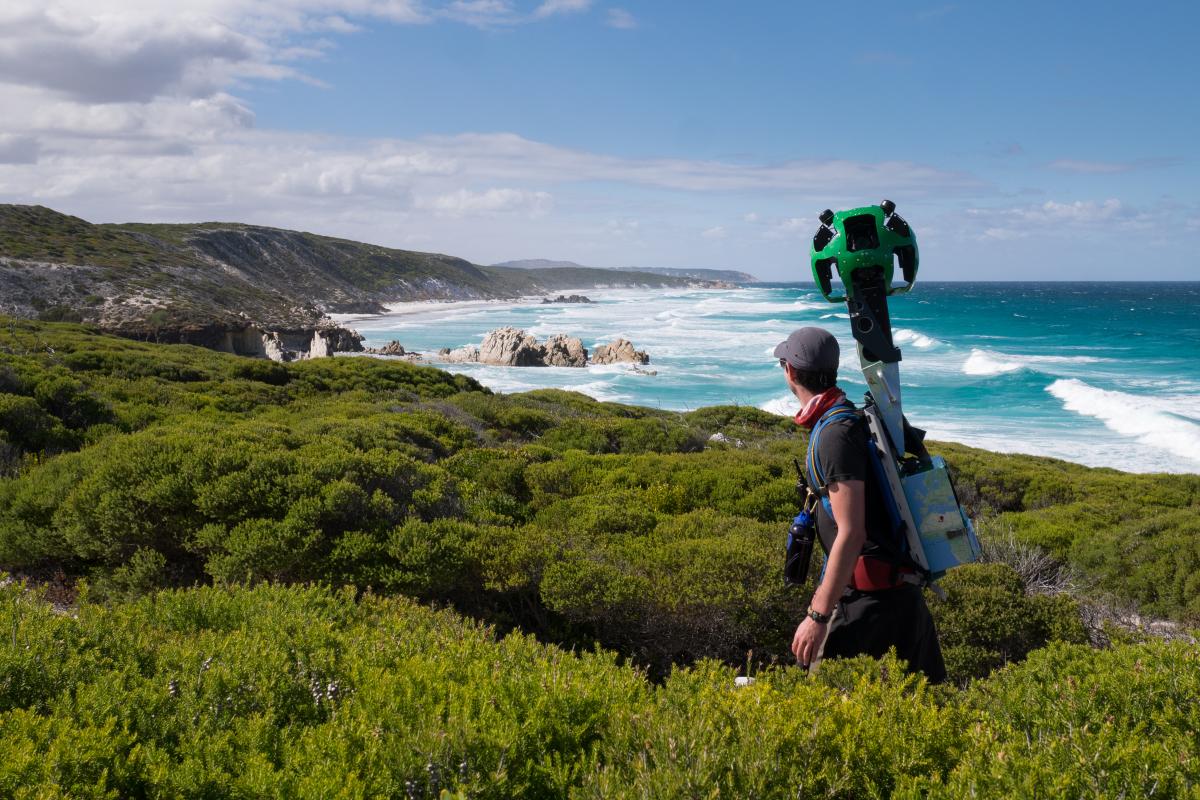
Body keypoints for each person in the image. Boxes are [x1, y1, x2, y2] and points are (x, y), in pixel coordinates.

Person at [774, 326, 946, 683]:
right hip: (897, 596)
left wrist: (818, 617)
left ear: (790, 371)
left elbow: (852, 533)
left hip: (869, 606)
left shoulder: (835, 434)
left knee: (828, 721)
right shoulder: (844, 418)